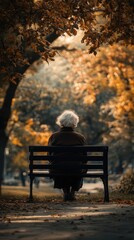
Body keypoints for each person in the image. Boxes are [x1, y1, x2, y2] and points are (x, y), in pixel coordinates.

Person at [48, 110, 87, 201]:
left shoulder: (54, 137)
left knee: (58, 166)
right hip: (76, 169)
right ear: (74, 123)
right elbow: (85, 157)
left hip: (58, 169)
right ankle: (72, 192)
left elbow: (49, 156)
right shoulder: (80, 137)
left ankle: (65, 192)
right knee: (80, 166)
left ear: (61, 122)